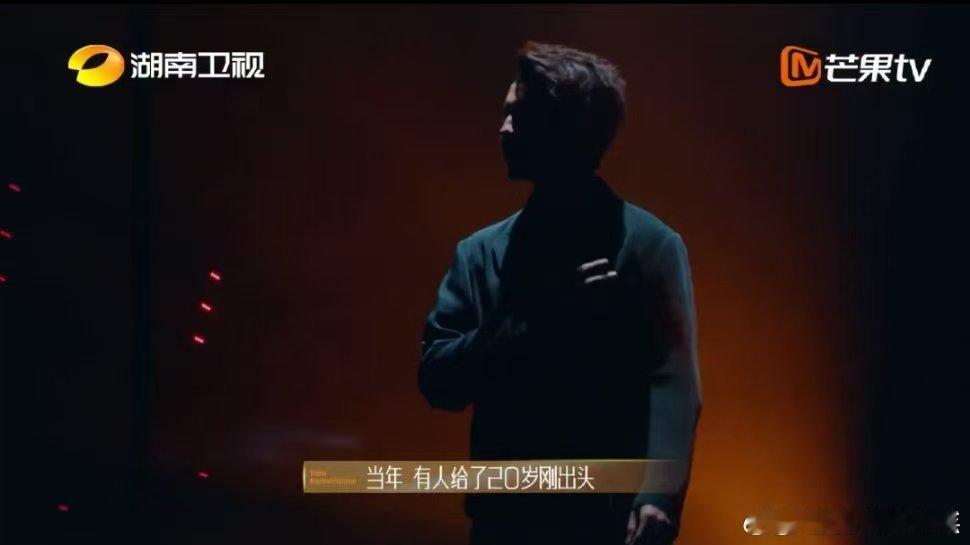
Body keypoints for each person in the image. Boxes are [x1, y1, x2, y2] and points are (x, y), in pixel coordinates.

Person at [418, 42, 702, 545]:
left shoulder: (650, 246)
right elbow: (438, 380)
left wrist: (659, 496)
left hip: (606, 522)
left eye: (519, 115)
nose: (503, 129)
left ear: (566, 130)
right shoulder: (479, 253)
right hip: (506, 521)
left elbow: (673, 381)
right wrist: (526, 326)